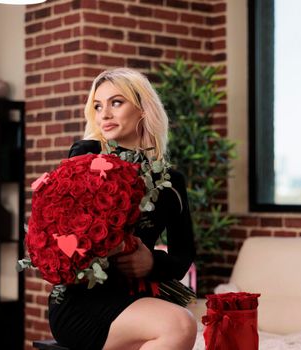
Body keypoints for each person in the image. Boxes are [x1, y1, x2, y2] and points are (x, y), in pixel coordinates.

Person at [48, 67, 197, 350]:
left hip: (139, 298)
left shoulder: (171, 181)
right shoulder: (86, 155)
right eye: (98, 106)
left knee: (179, 322)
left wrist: (151, 262)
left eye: (116, 102)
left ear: (142, 108)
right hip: (83, 302)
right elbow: (69, 236)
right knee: (180, 324)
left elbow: (183, 255)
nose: (105, 114)